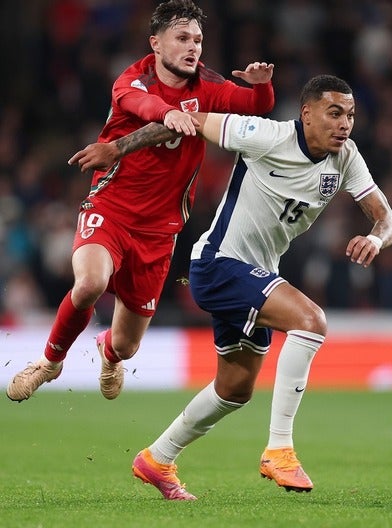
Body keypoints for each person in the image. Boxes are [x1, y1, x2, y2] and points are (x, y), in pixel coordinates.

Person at [69, 74, 392, 500]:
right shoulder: (265, 135)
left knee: (235, 388)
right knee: (310, 321)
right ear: (307, 114)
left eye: (350, 115)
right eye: (334, 113)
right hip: (218, 264)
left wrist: (376, 239)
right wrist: (118, 147)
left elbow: (387, 219)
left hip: (255, 274)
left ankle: (157, 459)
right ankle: (279, 449)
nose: (344, 124)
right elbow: (185, 120)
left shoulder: (346, 157)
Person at [6, 0, 275, 402]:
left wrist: (262, 85)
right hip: (111, 209)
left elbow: (256, 107)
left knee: (127, 345)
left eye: (198, 40)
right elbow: (142, 105)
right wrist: (168, 114)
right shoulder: (132, 80)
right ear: (156, 43)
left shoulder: (208, 85)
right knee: (90, 284)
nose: (193, 47)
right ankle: (49, 362)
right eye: (182, 38)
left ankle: (108, 353)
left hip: (159, 231)